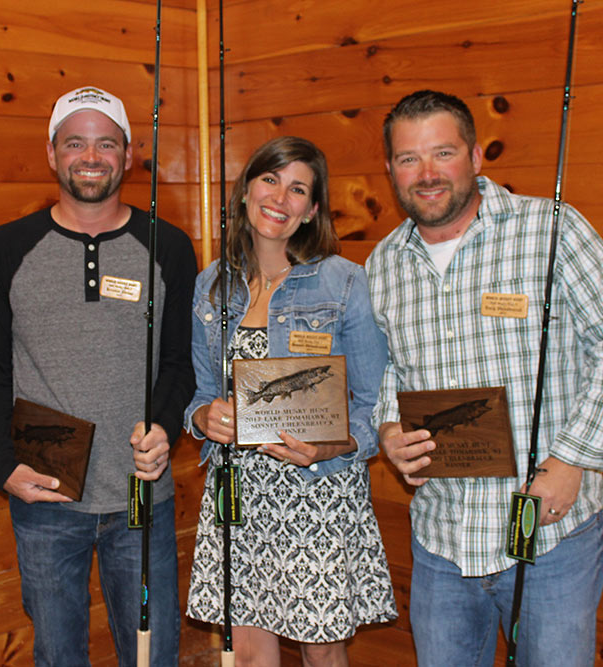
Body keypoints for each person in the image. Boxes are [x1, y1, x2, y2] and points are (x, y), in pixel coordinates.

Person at [367, 90, 603, 666]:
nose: (426, 173)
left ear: (475, 157)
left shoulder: (552, 230)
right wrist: (389, 429)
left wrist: (572, 461)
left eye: (443, 153)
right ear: (391, 170)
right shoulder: (383, 264)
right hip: (442, 540)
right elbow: (386, 371)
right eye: (408, 158)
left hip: (548, 534)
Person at [0, 85, 197, 666]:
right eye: (75, 143)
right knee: (58, 657)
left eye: (106, 144)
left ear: (129, 155)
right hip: (44, 497)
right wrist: (2, 465)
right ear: (52, 153)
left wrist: (164, 425)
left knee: (153, 656)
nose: (91, 157)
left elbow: (179, 362)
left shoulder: (169, 246)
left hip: (139, 495)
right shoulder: (5, 248)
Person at [185, 136, 397, 666]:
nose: (280, 198)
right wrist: (203, 418)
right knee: (248, 653)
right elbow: (202, 394)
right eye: (270, 179)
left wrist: (329, 449)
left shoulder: (343, 282)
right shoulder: (212, 284)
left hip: (316, 491)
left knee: (321, 651)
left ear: (312, 210)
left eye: (298, 189)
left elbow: (374, 402)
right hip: (238, 490)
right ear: (245, 191)